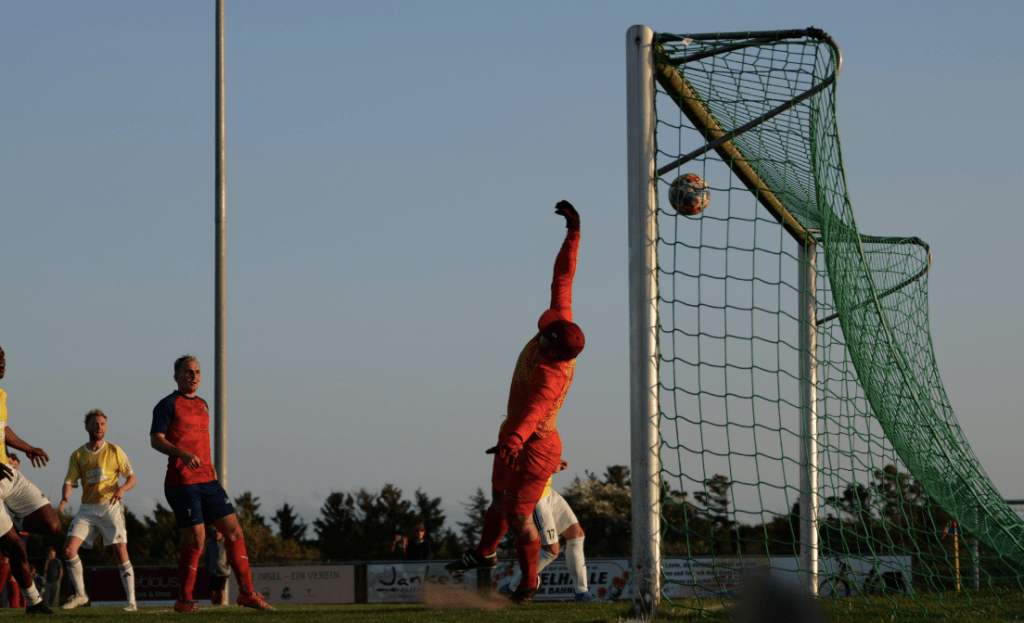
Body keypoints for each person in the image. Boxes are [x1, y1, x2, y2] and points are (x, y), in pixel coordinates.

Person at [446, 202, 585, 605]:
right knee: (497, 500)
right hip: (514, 434)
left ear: (550, 346)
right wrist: (573, 233)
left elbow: (535, 412)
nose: (539, 331)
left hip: (535, 443)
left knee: (519, 516)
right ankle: (485, 552)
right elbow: (564, 277)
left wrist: (515, 439)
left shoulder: (551, 375)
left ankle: (528, 582)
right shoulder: (562, 323)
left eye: (543, 334)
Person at [150, 354, 275, 613]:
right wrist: (183, 454)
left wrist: (211, 467)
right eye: (187, 372)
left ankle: (248, 594)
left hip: (209, 481)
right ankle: (184, 601)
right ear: (176, 377)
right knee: (197, 540)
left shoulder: (204, 404)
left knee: (235, 533)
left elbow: (202, 442)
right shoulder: (167, 404)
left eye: (197, 371)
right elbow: (156, 440)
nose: (193, 376)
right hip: (181, 483)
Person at [0, 344, 62, 614]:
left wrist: (28, 448)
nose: (2, 362)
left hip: (8, 475)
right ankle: (35, 604)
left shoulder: (1, 394)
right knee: (14, 546)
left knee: (52, 524)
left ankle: (15, 521)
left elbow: (3, 430)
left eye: (3, 358)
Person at [58, 409, 137, 611]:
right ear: (87, 427)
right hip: (87, 509)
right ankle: (81, 595)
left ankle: (132, 602)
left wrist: (121, 489)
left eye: (102, 424)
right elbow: (69, 481)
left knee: (120, 550)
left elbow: (132, 478)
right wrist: (66, 496)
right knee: (68, 550)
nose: (99, 427)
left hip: (110, 507)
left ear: (106, 427)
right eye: (95, 423)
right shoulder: (78, 454)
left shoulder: (115, 450)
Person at [495, 460, 597, 602]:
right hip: (535, 497)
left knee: (576, 535)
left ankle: (582, 593)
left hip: (548, 492)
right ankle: (511, 588)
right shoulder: (517, 439)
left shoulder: (540, 437)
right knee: (551, 550)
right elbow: (518, 466)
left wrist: (552, 463)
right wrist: (548, 467)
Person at [205, 527, 230, 606]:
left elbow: (231, 556)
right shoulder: (209, 544)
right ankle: (215, 606)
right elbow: (206, 557)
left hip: (223, 572)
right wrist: (209, 567)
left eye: (218, 532)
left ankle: (221, 606)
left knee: (222, 590)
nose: (217, 534)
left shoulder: (227, 544)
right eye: (215, 532)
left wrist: (227, 566)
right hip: (213, 572)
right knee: (213, 592)